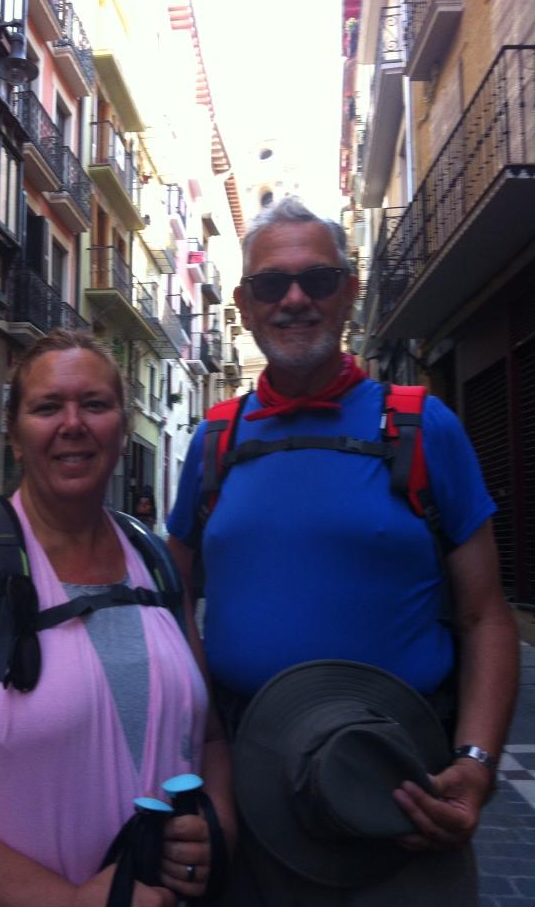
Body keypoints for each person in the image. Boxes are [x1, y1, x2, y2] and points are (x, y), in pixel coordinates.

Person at [167, 197, 520, 906]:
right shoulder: (215, 442)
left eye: (318, 280)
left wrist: (476, 763)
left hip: (400, 788)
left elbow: (487, 616)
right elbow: (170, 604)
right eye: (272, 285)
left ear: (348, 292)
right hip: (248, 782)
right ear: (244, 304)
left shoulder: (422, 425)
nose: (295, 299)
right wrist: (204, 747)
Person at [0, 329, 234, 907]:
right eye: (47, 406)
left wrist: (213, 829)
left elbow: (205, 735)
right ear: (15, 436)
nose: (73, 423)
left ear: (123, 429)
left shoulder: (155, 563)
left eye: (96, 405)